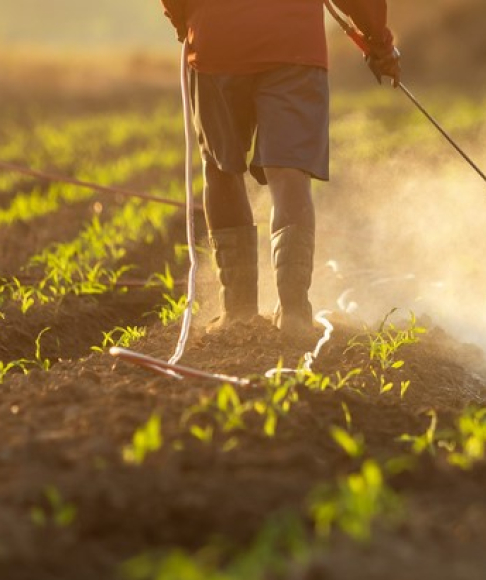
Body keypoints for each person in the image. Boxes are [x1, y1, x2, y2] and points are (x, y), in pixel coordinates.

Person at [160, 0, 401, 338]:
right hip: (294, 45)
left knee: (221, 169)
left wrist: (185, 22)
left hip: (217, 41)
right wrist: (379, 42)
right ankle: (294, 312)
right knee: (290, 172)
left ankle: (237, 312)